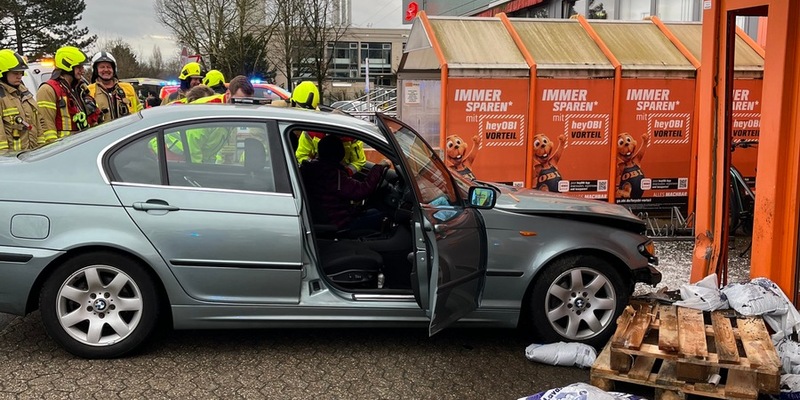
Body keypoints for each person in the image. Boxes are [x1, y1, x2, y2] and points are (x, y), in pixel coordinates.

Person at [300, 135, 388, 231]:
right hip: (338, 223)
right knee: (383, 215)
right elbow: (363, 190)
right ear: (340, 154)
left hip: (323, 217)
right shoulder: (332, 174)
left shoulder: (310, 168)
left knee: (373, 212)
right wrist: (380, 167)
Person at [292, 81, 366, 175]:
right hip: (317, 178)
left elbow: (359, 161)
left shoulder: (352, 136)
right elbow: (301, 155)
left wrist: (346, 172)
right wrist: (315, 169)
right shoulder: (311, 132)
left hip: (341, 177)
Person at [36, 46, 101, 141]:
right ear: (67, 66)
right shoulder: (48, 89)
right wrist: (54, 150)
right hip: (64, 148)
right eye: (79, 67)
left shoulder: (80, 88)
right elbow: (46, 126)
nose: (82, 71)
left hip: (82, 143)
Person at [0, 49, 44, 152]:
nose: (19, 76)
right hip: (14, 161)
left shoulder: (25, 93)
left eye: (21, 72)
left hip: (33, 155)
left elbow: (39, 124)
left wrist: (43, 149)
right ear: (2, 73)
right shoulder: (2, 98)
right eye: (15, 73)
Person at [87, 51, 142, 123]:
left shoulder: (128, 88)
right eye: (102, 67)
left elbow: (140, 111)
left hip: (129, 131)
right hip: (103, 133)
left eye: (109, 67)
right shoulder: (89, 91)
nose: (106, 70)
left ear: (114, 69)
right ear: (95, 70)